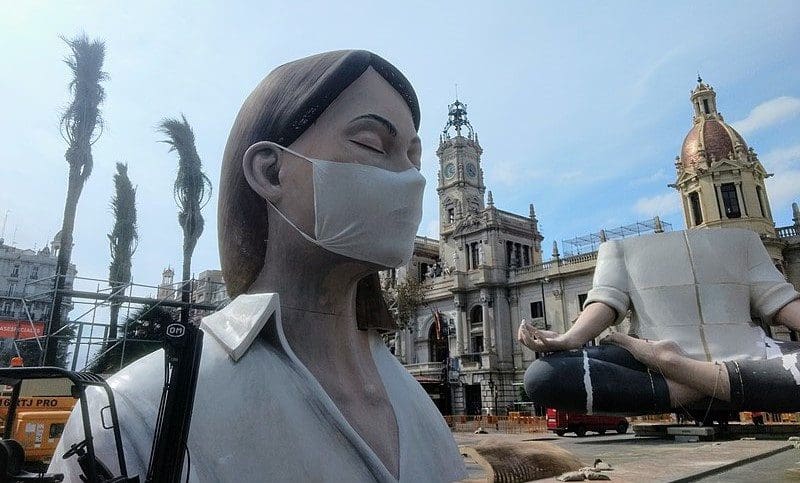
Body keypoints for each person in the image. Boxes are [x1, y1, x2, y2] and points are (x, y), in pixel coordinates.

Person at [50, 50, 466, 482]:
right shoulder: (133, 415)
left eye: (414, 159)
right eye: (372, 144)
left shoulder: (420, 410)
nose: (412, 179)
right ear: (270, 172)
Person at [518, 228, 800, 415]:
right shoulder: (617, 249)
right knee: (543, 376)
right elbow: (605, 301)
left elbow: (780, 301)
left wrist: (670, 364)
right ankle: (721, 382)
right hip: (651, 358)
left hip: (748, 352)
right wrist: (569, 339)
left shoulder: (744, 243)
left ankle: (679, 369)